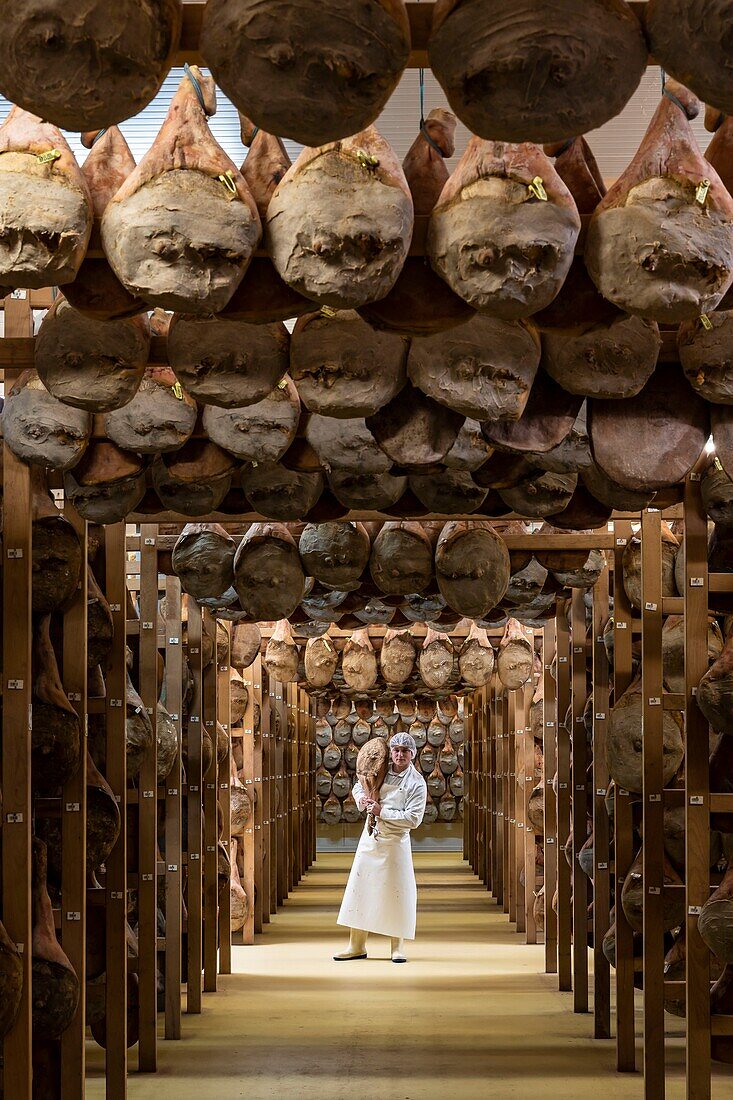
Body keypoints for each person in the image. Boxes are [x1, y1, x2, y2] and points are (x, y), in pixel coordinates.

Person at [334, 731, 428, 964]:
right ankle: (356, 945)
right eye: (395, 750)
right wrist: (361, 800)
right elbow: (360, 784)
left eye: (404, 751)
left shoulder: (417, 783)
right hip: (370, 839)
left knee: (396, 894)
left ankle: (397, 947)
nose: (399, 755)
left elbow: (413, 819)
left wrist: (381, 812)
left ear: (412, 755)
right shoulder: (381, 769)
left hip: (396, 843)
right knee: (361, 889)